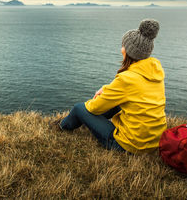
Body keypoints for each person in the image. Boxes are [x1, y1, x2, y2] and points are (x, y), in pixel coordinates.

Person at [53, 19, 166, 154]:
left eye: (123, 46)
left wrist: (94, 102)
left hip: (131, 146)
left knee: (79, 108)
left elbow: (94, 107)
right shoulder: (154, 71)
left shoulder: (126, 79)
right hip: (155, 141)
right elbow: (131, 91)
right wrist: (106, 89)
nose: (121, 49)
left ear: (129, 51)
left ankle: (62, 126)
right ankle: (77, 121)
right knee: (117, 104)